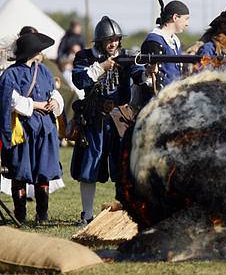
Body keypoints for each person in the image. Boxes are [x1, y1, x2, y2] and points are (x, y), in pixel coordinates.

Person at [70, 16, 137, 224]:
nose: (113, 43)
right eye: (109, 39)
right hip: (93, 119)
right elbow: (79, 80)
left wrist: (146, 72)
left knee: (122, 166)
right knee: (89, 166)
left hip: (118, 120)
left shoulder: (125, 57)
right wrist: (101, 67)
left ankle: (125, 214)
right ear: (100, 41)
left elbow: (138, 72)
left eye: (116, 39)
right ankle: (87, 215)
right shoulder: (85, 57)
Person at [0, 31, 64, 223]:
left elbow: (53, 91)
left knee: (43, 172)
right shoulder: (10, 74)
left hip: (45, 130)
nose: (41, 52)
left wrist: (53, 101)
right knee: (20, 173)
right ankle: (20, 215)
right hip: (23, 131)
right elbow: (9, 100)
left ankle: (42, 215)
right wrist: (34, 105)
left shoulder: (43, 70)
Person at [132, 0, 190, 109]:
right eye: (186, 19)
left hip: (174, 102)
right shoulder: (154, 41)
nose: (187, 23)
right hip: (156, 105)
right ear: (175, 17)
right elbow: (146, 78)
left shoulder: (174, 41)